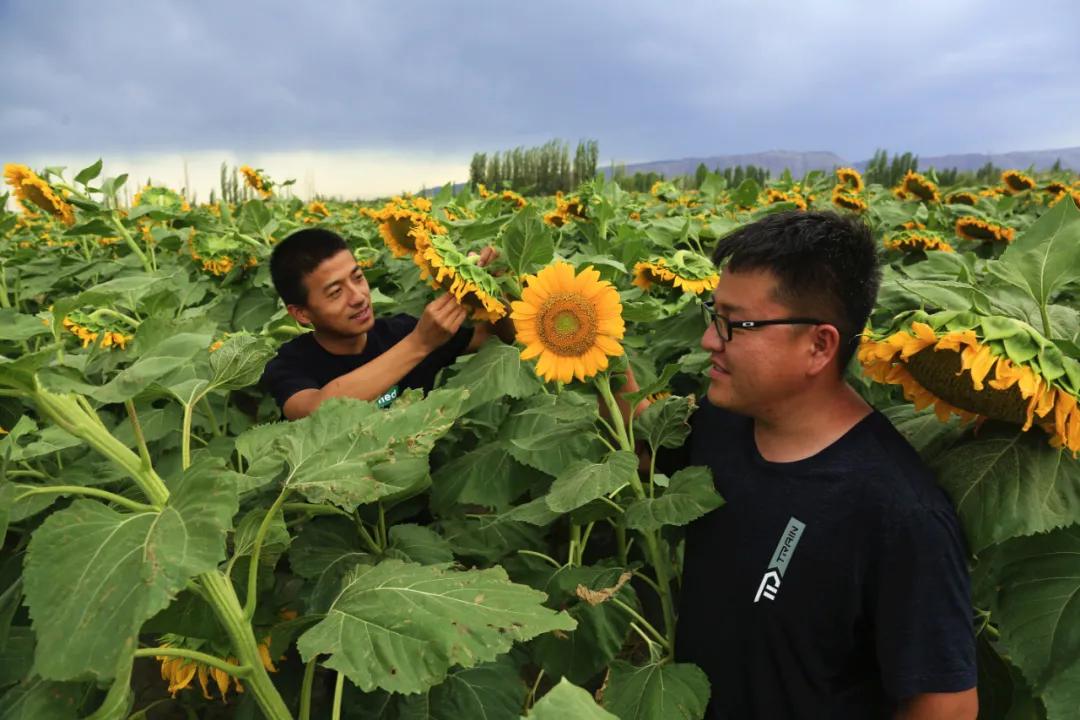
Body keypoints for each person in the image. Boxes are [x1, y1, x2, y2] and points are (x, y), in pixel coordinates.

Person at [666, 211, 977, 718]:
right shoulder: (722, 423)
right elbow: (635, 439)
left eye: (735, 324)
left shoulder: (899, 512)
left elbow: (947, 707)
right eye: (713, 315)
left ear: (819, 345)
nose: (709, 340)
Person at [260, 227, 509, 420]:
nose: (358, 297)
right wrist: (419, 344)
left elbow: (491, 337)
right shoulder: (290, 363)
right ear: (302, 314)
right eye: (335, 292)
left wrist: (494, 288)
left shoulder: (400, 331)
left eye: (358, 278)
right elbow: (315, 412)